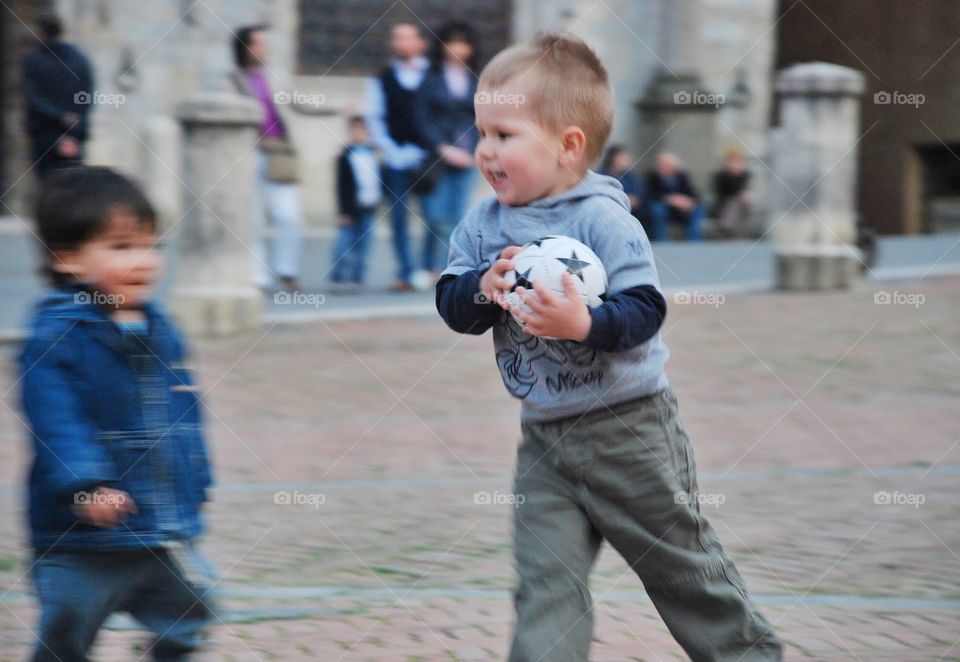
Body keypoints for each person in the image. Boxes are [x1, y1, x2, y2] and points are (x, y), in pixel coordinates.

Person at [436, 34, 783, 661]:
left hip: (631, 431)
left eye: (505, 134)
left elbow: (645, 310)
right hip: (544, 440)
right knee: (545, 585)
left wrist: (583, 324)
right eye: (480, 131)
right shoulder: (481, 226)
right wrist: (478, 289)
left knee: (681, 570)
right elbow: (453, 306)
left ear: (569, 145)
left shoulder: (604, 220)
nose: (485, 150)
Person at [18, 167, 216, 661]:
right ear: (67, 258)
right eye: (121, 247)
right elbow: (56, 421)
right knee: (68, 629)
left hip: (157, 525)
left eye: (151, 246)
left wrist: (197, 477)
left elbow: (184, 408)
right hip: (83, 537)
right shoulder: (56, 335)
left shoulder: (159, 326)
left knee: (192, 610)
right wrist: (84, 485)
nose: (144, 262)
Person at [231, 24, 303, 292]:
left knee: (289, 216)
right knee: (254, 220)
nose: (263, 49)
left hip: (278, 153)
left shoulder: (272, 77)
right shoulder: (232, 79)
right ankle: (257, 276)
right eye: (257, 43)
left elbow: (300, 104)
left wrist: (337, 110)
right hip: (249, 155)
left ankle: (287, 270)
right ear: (244, 47)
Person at [412, 21, 480, 289]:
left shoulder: (476, 80)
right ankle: (426, 266)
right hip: (437, 159)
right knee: (435, 217)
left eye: (463, 43)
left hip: (467, 158)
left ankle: (446, 271)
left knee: (457, 217)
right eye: (452, 43)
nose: (458, 49)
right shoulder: (430, 79)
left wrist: (475, 151)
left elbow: (482, 119)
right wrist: (442, 148)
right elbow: (421, 119)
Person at [365, 22, 431, 292]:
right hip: (396, 159)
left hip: (428, 158)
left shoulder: (432, 75)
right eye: (397, 38)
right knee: (398, 217)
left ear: (420, 43)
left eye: (407, 38)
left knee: (434, 216)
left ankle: (429, 267)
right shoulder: (382, 78)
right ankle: (405, 270)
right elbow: (375, 118)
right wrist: (391, 149)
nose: (402, 43)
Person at [20, 13, 93, 177]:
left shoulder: (33, 59)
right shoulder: (80, 59)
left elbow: (32, 97)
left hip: (45, 134)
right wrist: (75, 122)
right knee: (72, 184)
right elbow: (86, 96)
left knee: (47, 185)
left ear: (41, 32)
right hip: (73, 133)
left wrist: (60, 116)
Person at [331, 115, 382, 291]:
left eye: (362, 129)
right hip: (350, 209)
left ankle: (357, 278)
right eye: (355, 129)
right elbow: (341, 187)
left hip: (368, 206)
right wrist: (343, 211)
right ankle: (338, 277)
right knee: (343, 245)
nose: (359, 133)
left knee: (364, 246)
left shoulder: (374, 154)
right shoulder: (344, 157)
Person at [645, 151, 704, 241]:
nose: (664, 166)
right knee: (656, 209)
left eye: (667, 164)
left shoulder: (682, 176)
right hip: (664, 209)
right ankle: (661, 241)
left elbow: (695, 195)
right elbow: (649, 195)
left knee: (698, 209)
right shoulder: (652, 177)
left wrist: (688, 201)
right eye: (662, 164)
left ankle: (693, 242)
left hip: (681, 211)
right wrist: (671, 199)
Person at [713, 147, 752, 238]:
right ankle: (727, 230)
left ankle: (726, 229)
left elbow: (744, 190)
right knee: (733, 202)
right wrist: (732, 175)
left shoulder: (745, 175)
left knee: (737, 202)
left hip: (743, 204)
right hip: (724, 203)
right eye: (733, 162)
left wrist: (738, 176)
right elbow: (724, 192)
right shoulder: (721, 176)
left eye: (737, 162)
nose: (735, 164)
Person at [599, 143, 644, 222]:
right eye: (622, 158)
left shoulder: (630, 176)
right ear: (612, 159)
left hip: (632, 212)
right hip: (609, 213)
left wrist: (636, 199)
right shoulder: (601, 176)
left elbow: (640, 192)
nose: (627, 160)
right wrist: (624, 199)